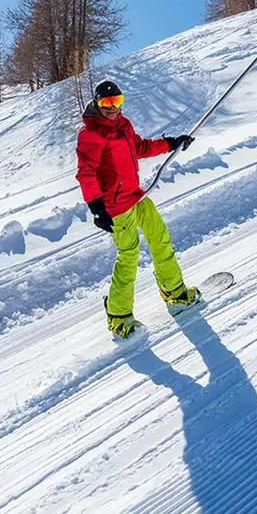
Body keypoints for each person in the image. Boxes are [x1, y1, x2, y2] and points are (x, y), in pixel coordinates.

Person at [76, 79, 200, 339]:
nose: (112, 108)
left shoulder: (123, 124)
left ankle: (174, 292)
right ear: (96, 103)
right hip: (115, 206)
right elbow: (86, 172)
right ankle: (118, 316)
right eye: (106, 103)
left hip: (137, 197)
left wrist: (170, 144)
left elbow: (140, 147)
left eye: (117, 102)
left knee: (159, 238)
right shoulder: (91, 133)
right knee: (129, 255)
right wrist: (96, 206)